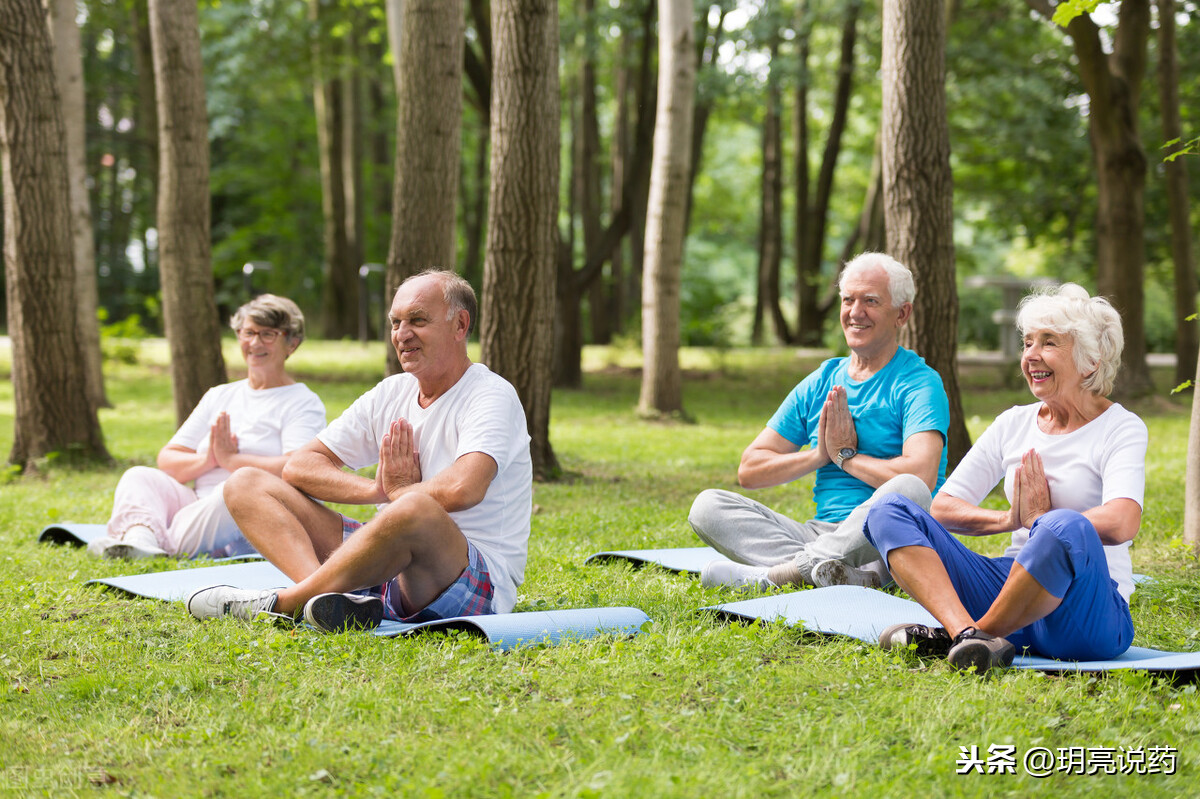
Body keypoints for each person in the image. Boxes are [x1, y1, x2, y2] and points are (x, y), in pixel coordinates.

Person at [185, 269, 532, 633]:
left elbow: (465, 487)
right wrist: (377, 491)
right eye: (396, 322)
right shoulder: (392, 392)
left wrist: (400, 495)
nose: (402, 334)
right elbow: (300, 466)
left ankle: (286, 604)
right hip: (386, 563)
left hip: (468, 580)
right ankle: (325, 601)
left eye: (417, 320)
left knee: (415, 508)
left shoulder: (491, 395)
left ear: (460, 325)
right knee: (246, 484)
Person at [867, 283, 1147, 674]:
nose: (1031, 355)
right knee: (888, 510)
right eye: (1028, 342)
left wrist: (1043, 524)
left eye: (1049, 343)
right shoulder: (1013, 423)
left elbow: (1122, 521)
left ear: (1091, 360)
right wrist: (1011, 521)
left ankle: (968, 637)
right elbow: (944, 508)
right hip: (1009, 590)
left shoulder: (1120, 427)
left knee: (1063, 523)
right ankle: (968, 634)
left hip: (1085, 613)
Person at [689, 252, 950, 591]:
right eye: (848, 299)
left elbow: (921, 476)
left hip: (886, 542)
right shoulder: (822, 380)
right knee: (707, 505)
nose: (855, 312)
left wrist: (847, 457)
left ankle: (783, 575)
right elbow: (750, 469)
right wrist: (818, 456)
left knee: (909, 490)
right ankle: (835, 575)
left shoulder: (919, 382)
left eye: (871, 301)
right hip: (820, 534)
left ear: (902, 313)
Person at [89, 294, 327, 560]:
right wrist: (208, 459)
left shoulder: (303, 402)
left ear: (291, 343)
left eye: (268, 334)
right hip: (197, 505)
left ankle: (146, 541)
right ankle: (141, 541)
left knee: (236, 488)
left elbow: (296, 469)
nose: (255, 342)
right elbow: (168, 459)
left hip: (247, 510)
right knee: (138, 476)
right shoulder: (220, 395)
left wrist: (233, 460)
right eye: (248, 332)